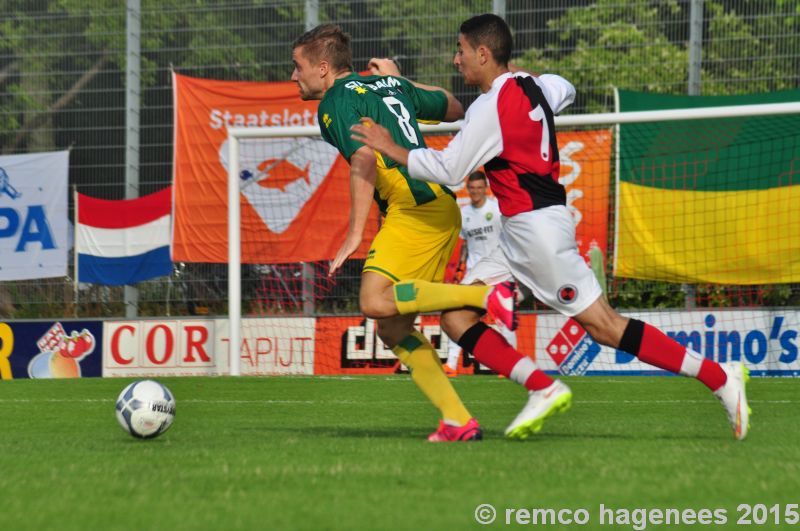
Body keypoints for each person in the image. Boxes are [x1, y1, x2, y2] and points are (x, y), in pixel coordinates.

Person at [351, 13, 750, 441]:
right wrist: (526, 75)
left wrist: (390, 147)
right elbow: (567, 87)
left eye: (461, 50)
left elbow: (450, 169)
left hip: (537, 232)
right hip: (517, 230)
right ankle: (541, 386)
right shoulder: (535, 87)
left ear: (483, 54)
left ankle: (719, 376)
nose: (456, 59)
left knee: (604, 326)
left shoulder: (489, 107)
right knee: (456, 318)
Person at [291, 24, 482, 442]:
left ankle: (487, 297)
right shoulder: (386, 83)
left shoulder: (334, 103)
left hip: (412, 207)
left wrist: (353, 235)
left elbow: (362, 158)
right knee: (394, 329)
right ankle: (457, 420)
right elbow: (454, 107)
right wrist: (401, 82)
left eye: (298, 66)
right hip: (441, 205)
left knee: (373, 301)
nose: (293, 76)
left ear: (323, 68)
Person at [442, 171, 517, 377]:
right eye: (472, 188)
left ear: (486, 188)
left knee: (504, 319)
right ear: (468, 189)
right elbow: (466, 244)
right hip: (475, 274)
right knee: (456, 312)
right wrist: (460, 267)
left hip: (499, 272)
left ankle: (510, 365)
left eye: (479, 188)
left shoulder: (496, 210)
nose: (475, 192)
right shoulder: (464, 214)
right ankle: (451, 364)